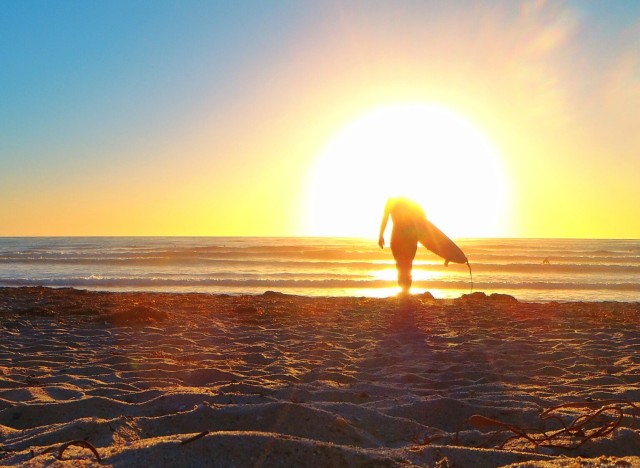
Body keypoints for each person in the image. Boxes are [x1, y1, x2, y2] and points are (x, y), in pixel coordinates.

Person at [378, 197, 427, 295]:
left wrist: (381, 235)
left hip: (402, 238)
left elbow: (423, 221)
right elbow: (424, 221)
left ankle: (405, 290)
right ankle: (405, 290)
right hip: (407, 238)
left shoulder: (393, 202)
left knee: (402, 264)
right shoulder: (412, 204)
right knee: (406, 265)